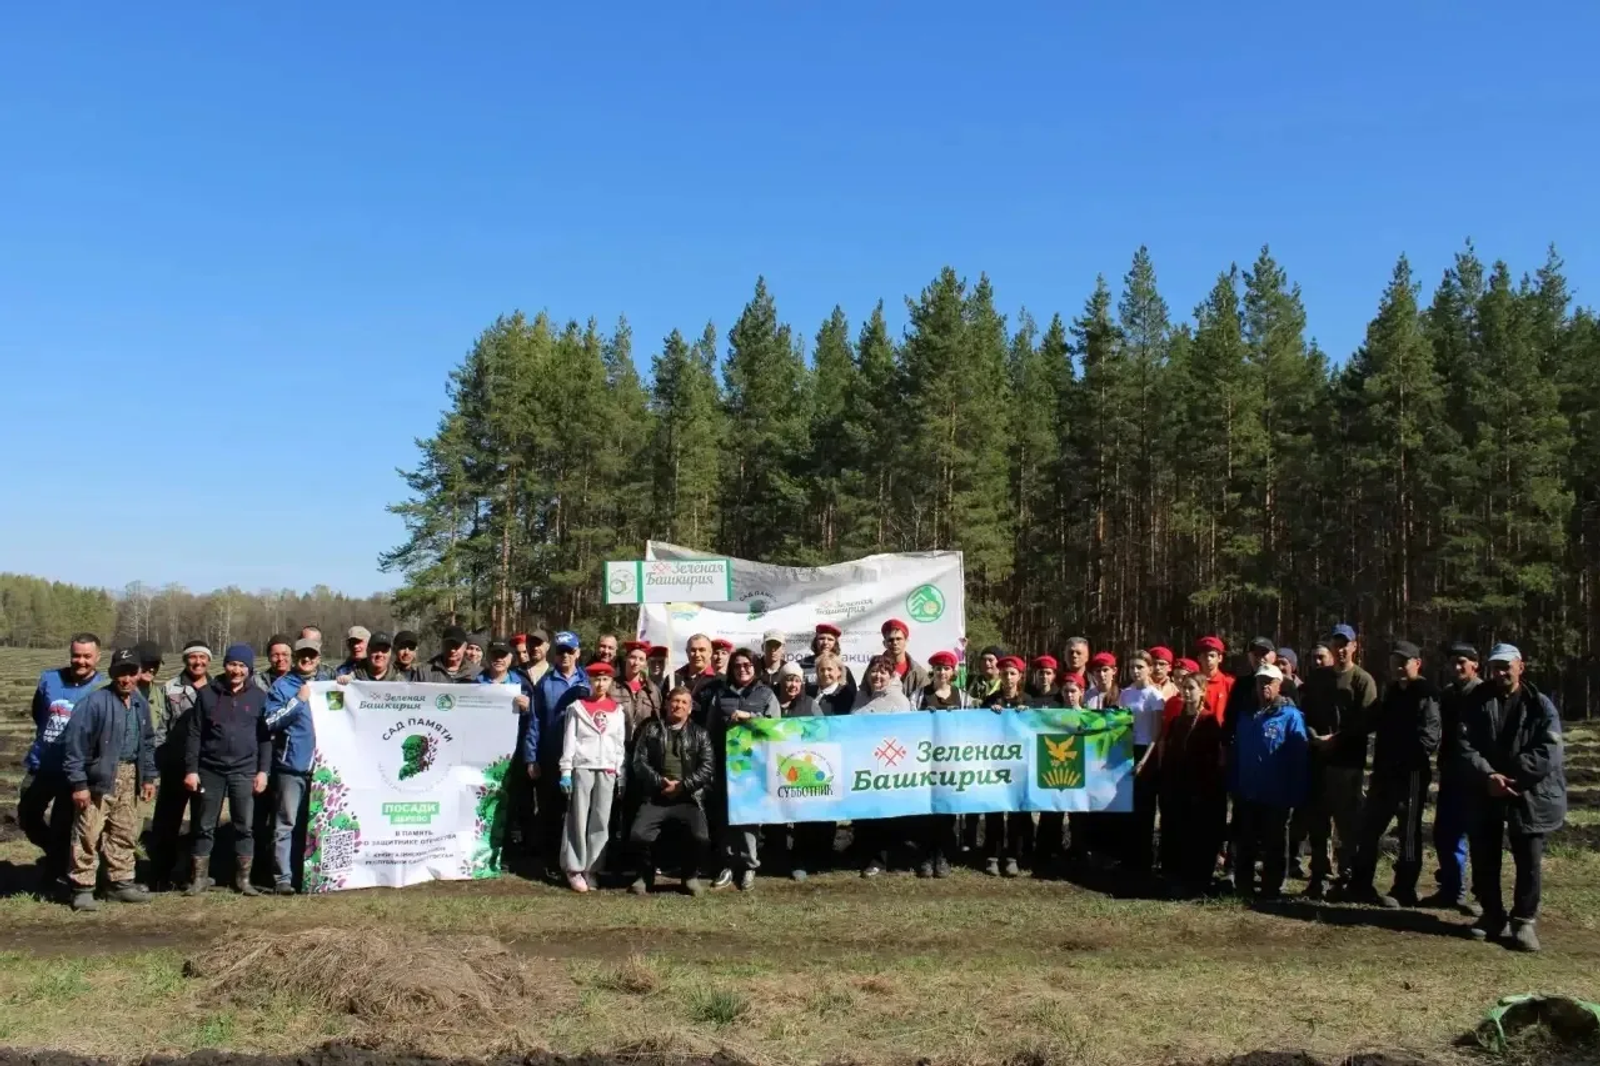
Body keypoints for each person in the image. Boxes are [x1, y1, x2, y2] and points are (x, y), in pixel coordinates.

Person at [1458, 644, 1566, 953]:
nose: (1501, 672)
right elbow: (1463, 745)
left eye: (1507, 666)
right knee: (1483, 854)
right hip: (1487, 788)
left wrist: (1515, 776)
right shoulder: (1476, 701)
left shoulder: (1540, 705)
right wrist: (1489, 775)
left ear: (1521, 667)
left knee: (1528, 859)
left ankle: (1523, 921)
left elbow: (1549, 750)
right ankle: (1492, 915)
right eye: (1495, 667)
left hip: (1529, 791)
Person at [59, 649, 156, 912]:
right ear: (113, 675)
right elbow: (74, 746)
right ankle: (82, 887)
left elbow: (147, 742)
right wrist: (79, 784)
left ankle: (120, 883)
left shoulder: (139, 704)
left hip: (130, 775)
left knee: (124, 831)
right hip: (99, 777)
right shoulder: (95, 703)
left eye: (131, 673)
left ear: (138, 674)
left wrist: (148, 777)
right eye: (120, 673)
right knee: (88, 833)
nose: (126, 679)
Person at [1345, 641, 1440, 908]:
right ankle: (1361, 884)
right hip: (1383, 773)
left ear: (1417, 663)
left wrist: (1404, 760)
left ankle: (1405, 888)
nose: (1398, 667)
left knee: (1408, 834)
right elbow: (1371, 720)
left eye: (1404, 662)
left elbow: (1429, 737)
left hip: (1410, 775)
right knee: (1369, 828)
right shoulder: (1391, 692)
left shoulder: (1426, 693)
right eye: (1394, 661)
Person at [185, 644, 271, 897]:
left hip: (244, 770)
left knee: (244, 826)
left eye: (242, 666)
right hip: (210, 769)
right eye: (233, 664)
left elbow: (264, 738)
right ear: (225, 666)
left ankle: (243, 880)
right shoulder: (207, 694)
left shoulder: (258, 697)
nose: (237, 670)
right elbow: (194, 734)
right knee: (204, 824)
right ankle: (199, 878)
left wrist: (263, 771)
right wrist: (191, 769)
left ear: (249, 669)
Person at [1300, 623, 1378, 899]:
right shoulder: (1318, 678)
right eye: (1336, 644)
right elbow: (1304, 711)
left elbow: (1367, 721)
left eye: (1346, 644)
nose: (1341, 649)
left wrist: (1337, 739)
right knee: (1317, 822)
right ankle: (1319, 875)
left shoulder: (1362, 680)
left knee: (1347, 823)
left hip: (1347, 763)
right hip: (1318, 760)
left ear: (1355, 646)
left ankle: (1346, 877)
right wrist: (1313, 737)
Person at [19, 632, 103, 882]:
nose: (81, 661)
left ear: (97, 657)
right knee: (27, 816)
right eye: (76, 655)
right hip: (42, 764)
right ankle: (57, 854)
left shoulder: (101, 688)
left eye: (87, 656)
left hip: (74, 770)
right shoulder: (49, 679)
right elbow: (38, 712)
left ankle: (55, 872)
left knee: (62, 824)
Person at [1229, 662, 1309, 900]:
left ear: (1279, 686)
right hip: (1247, 791)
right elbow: (1237, 751)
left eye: (1269, 682)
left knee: (1275, 843)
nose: (1264, 686)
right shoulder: (1245, 716)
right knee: (1246, 841)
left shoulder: (1290, 716)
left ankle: (1272, 887)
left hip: (1277, 793)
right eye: (1260, 682)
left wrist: (1296, 791)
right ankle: (1243, 885)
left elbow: (1299, 755)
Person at [704, 648, 781, 890]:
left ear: (755, 667)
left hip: (755, 767)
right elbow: (709, 731)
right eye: (737, 665)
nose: (742, 669)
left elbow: (777, 729)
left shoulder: (766, 694)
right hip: (726, 766)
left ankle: (749, 865)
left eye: (747, 664)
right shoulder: (720, 695)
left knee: (749, 818)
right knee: (726, 817)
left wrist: (750, 717)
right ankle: (727, 864)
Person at [629, 686, 715, 896]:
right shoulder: (651, 730)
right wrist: (660, 782)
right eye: (675, 701)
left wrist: (682, 786)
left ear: (690, 708)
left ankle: (690, 876)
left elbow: (707, 768)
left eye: (684, 702)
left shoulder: (700, 734)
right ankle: (645, 875)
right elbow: (639, 762)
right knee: (638, 835)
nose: (678, 705)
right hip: (656, 796)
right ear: (667, 704)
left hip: (688, 797)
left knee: (700, 837)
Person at [1421, 642, 1483, 915]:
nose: (1457, 667)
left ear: (1475, 664)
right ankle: (1451, 889)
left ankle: (1483, 896)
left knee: (1481, 838)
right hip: (1451, 773)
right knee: (1446, 833)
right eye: (1453, 663)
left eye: (1463, 662)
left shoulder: (1483, 694)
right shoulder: (1447, 694)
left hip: (1478, 777)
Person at [556, 662, 626, 892]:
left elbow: (619, 744)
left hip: (606, 769)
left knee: (600, 820)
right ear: (589, 680)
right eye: (596, 678)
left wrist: (618, 771)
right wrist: (566, 771)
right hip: (582, 767)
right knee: (578, 817)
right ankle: (574, 868)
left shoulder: (617, 710)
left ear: (611, 682)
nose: (600, 683)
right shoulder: (577, 708)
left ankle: (592, 868)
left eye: (605, 679)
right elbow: (570, 740)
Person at [1155, 673, 1226, 897]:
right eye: (1184, 688)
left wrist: (1203, 788)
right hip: (1176, 786)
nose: (1187, 692)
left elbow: (1212, 759)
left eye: (1192, 688)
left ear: (1203, 691)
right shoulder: (1177, 720)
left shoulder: (1208, 721)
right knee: (1176, 831)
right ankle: (1174, 875)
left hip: (1199, 788)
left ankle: (1197, 879)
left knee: (1197, 834)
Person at [148, 638, 210, 890]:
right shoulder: (169, 688)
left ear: (208, 661)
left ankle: (194, 874)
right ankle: (160, 873)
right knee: (167, 821)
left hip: (205, 766)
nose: (197, 662)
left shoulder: (216, 688)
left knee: (202, 820)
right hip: (175, 765)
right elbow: (160, 727)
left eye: (202, 657)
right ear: (185, 660)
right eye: (193, 657)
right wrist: (162, 759)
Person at [526, 632, 589, 878]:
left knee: (577, 810)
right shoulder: (546, 682)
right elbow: (535, 721)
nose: (565, 656)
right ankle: (552, 861)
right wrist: (531, 758)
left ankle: (577, 861)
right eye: (561, 651)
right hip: (551, 755)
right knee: (550, 811)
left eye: (570, 651)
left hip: (582, 758)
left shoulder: (587, 681)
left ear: (578, 653)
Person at [261, 638, 321, 894]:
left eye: (312, 655)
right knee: (285, 824)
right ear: (296, 657)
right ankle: (283, 878)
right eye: (303, 656)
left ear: (319, 658)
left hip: (322, 770)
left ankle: (312, 876)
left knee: (316, 825)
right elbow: (270, 721)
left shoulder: (328, 684)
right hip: (291, 767)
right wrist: (298, 701)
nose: (307, 660)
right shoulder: (282, 687)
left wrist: (345, 685)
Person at [851, 655, 915, 878]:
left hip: (889, 764)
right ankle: (867, 855)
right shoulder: (860, 696)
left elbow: (905, 733)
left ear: (891, 675)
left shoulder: (898, 700)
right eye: (874, 671)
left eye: (883, 672)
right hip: (864, 765)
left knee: (888, 816)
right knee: (867, 815)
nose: (877, 676)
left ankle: (886, 859)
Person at [911, 650, 973, 878]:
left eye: (946, 668)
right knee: (927, 811)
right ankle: (927, 856)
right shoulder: (919, 695)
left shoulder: (963, 697)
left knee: (947, 812)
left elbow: (970, 725)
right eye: (938, 668)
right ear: (932, 671)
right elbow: (908, 722)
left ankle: (944, 856)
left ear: (953, 672)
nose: (942, 672)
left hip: (952, 761)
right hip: (925, 762)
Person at [771, 662, 830, 880]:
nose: (793, 684)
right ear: (781, 681)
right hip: (774, 767)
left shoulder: (810, 704)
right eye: (788, 679)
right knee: (774, 816)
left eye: (796, 680)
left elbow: (823, 732)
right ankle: (776, 857)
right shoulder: (772, 701)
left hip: (801, 767)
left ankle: (800, 860)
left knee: (802, 818)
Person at [980, 656, 1031, 878]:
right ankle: (992, 855)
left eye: (1012, 673)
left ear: (1020, 676)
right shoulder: (990, 701)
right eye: (1004, 674)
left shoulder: (1028, 701)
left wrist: (1027, 714)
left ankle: (1013, 857)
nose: (1008, 678)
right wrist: (990, 714)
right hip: (995, 765)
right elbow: (979, 728)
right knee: (994, 811)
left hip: (1020, 766)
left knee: (1017, 813)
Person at [1121, 650, 1168, 879]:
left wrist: (1144, 761)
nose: (1136, 671)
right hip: (1126, 750)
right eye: (1132, 667)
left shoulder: (1154, 696)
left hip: (1146, 752)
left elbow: (1157, 733)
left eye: (1140, 666)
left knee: (1145, 809)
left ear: (1150, 669)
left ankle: (1144, 861)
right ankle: (1128, 857)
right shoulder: (1125, 694)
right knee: (1128, 808)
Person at [881, 619, 929, 697]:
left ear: (906, 641)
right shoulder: (875, 670)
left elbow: (926, 700)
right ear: (884, 643)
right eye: (890, 640)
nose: (895, 643)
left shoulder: (918, 672)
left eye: (898, 639)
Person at [801, 623, 854, 689]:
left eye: (830, 639)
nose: (825, 642)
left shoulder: (843, 669)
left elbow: (851, 695)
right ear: (815, 641)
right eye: (822, 638)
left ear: (835, 644)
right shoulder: (800, 666)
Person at [1194, 637, 1233, 724]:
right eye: (1205, 655)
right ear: (1199, 658)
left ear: (1220, 658)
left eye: (1212, 655)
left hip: (1221, 733)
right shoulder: (1193, 682)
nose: (1208, 659)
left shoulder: (1229, 683)